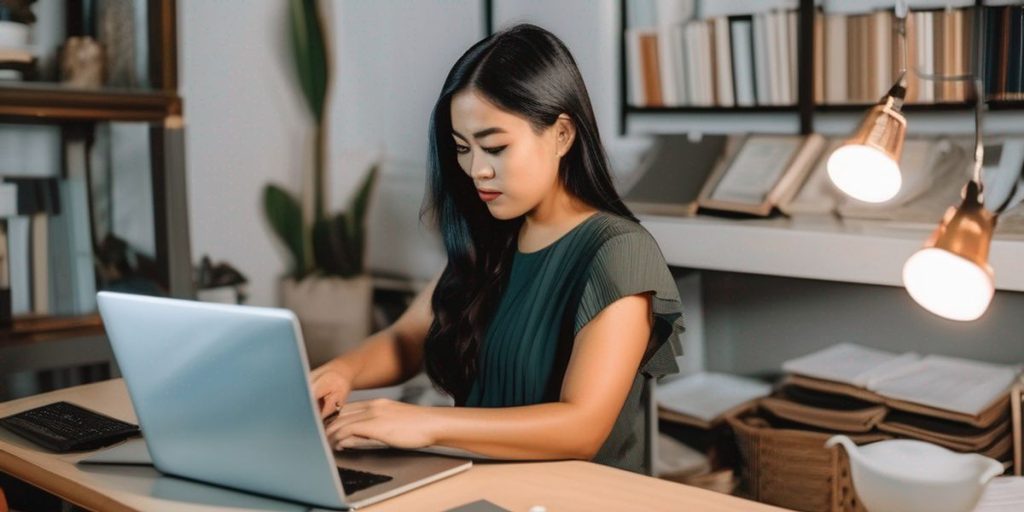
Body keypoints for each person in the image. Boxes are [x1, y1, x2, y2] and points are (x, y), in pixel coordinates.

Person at [310, 23, 684, 474]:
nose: (476, 171)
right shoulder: (493, 236)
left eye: (495, 147)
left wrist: (426, 423)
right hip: (475, 483)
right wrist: (341, 372)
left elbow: (582, 428)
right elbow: (407, 339)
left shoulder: (620, 252)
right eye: (462, 149)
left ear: (562, 134)